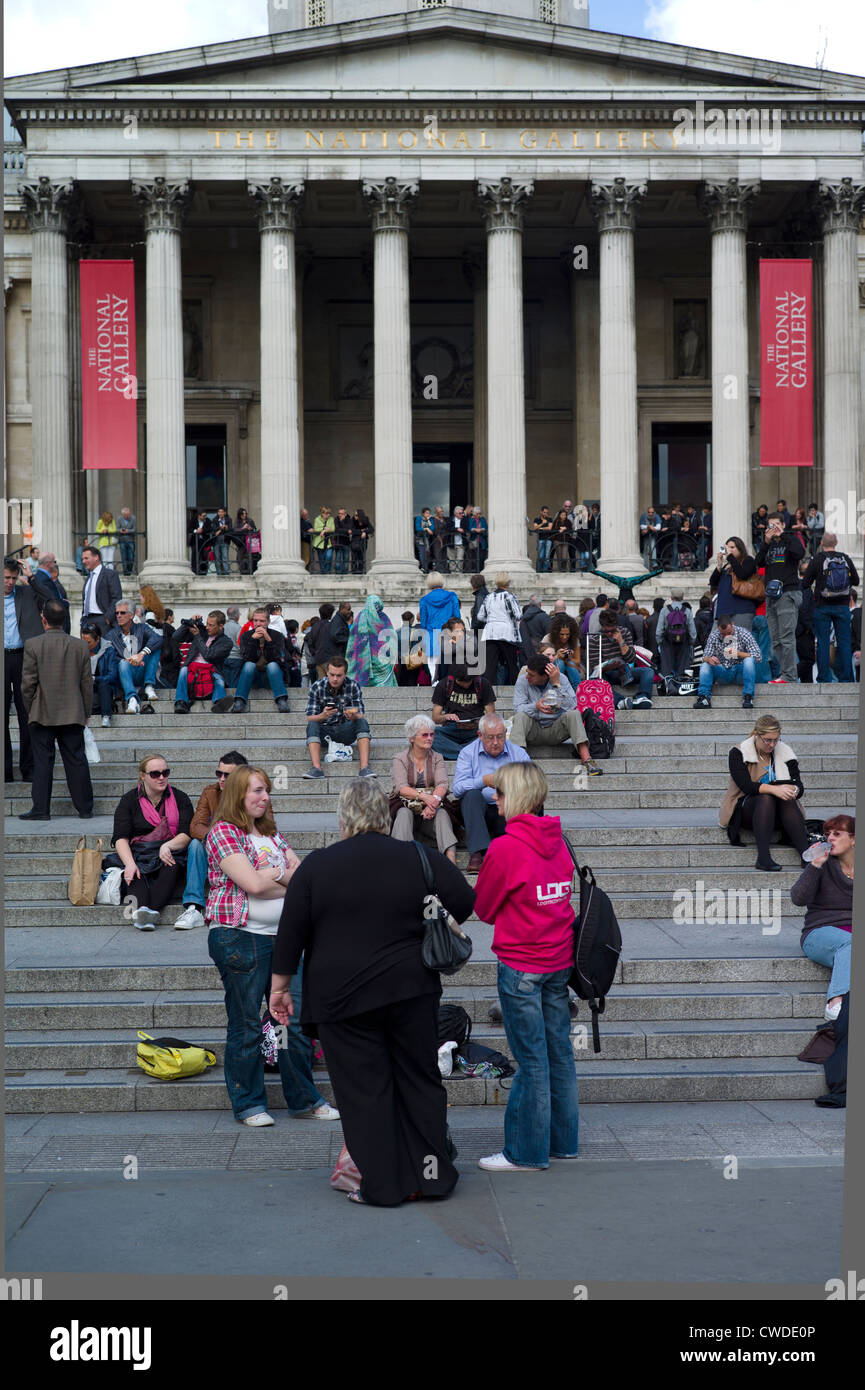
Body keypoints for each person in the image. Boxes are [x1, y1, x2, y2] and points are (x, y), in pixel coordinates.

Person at [269, 778, 474, 1204]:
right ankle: (431, 1178)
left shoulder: (318, 866)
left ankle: (383, 1185)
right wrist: (429, 917)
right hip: (410, 988)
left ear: (344, 817)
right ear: (383, 816)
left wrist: (281, 988)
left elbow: (291, 933)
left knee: (365, 1090)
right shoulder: (418, 855)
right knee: (420, 1082)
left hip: (342, 998)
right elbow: (465, 900)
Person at [206, 764, 337, 1126]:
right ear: (238, 795)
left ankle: (304, 1099)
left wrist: (275, 874)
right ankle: (249, 1104)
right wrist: (281, 879)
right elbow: (254, 886)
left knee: (291, 1021)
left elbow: (307, 879)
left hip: (285, 938)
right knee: (246, 1023)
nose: (265, 797)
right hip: (239, 937)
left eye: (266, 790)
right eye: (257, 791)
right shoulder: (223, 832)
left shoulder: (271, 835)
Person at [473, 761, 579, 1171]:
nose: (494, 799)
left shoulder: (505, 847)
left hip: (521, 964)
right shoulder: (559, 839)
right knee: (559, 1053)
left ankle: (525, 1152)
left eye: (498, 792)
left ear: (514, 796)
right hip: (558, 960)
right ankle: (562, 1143)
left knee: (532, 1059)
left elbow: (483, 909)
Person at [19, 600, 94, 821]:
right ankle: (85, 808)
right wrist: (86, 712)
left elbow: (27, 684)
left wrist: (30, 707)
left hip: (42, 711)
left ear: (44, 619)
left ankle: (41, 809)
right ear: (65, 620)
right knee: (76, 760)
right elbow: (86, 683)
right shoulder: (80, 646)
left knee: (43, 762)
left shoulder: (33, 644)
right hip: (73, 712)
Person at [105, 753, 193, 928]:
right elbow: (121, 837)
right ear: (142, 775)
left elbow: (187, 833)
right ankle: (145, 911)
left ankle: (147, 912)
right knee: (135, 872)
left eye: (165, 772)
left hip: (171, 850)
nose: (161, 777)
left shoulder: (180, 798)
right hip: (139, 852)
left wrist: (167, 846)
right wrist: (129, 863)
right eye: (155, 774)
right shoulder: (129, 800)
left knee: (171, 864)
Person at [719, 714, 811, 871]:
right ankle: (763, 857)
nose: (772, 744)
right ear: (756, 735)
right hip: (747, 809)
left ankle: (806, 855)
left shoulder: (785, 752)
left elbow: (799, 785)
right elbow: (747, 786)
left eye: (776, 739)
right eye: (767, 740)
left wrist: (793, 790)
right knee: (766, 797)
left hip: (782, 811)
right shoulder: (738, 753)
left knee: (785, 797)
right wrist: (775, 789)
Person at [173, 751, 250, 931]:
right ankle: (194, 907)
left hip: (241, 849)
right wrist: (215, 839)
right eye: (219, 773)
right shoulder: (210, 792)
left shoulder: (253, 793)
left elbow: (264, 827)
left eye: (227, 775)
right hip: (215, 847)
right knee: (194, 845)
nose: (222, 779)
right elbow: (195, 826)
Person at [793, 815, 854, 1025]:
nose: (831, 838)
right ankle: (835, 1003)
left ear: (854, 839)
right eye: (828, 834)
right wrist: (815, 865)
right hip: (819, 932)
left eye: (838, 834)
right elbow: (798, 898)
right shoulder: (823, 864)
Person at [453, 713, 531, 873]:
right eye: (490, 738)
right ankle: (477, 853)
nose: (496, 743)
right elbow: (457, 789)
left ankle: (523, 848)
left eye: (500, 737)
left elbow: (532, 783)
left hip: (507, 810)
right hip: (477, 812)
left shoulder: (518, 753)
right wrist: (483, 781)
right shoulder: (468, 753)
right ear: (480, 735)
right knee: (471, 794)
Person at [510, 655, 600, 773]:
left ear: (544, 676)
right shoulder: (523, 680)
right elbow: (517, 709)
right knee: (520, 716)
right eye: (527, 672)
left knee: (574, 714)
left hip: (556, 730)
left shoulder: (561, 679)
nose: (527, 677)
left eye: (532, 675)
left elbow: (572, 706)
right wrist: (535, 706)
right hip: (533, 730)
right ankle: (519, 763)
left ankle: (587, 760)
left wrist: (557, 684)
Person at [390, 715, 458, 862]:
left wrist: (432, 803)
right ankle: (401, 860)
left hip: (431, 812)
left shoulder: (437, 757)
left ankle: (451, 860)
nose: (429, 738)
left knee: (442, 814)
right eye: (425, 735)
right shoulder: (400, 758)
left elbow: (442, 784)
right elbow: (401, 788)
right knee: (403, 813)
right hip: (406, 806)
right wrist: (425, 797)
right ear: (412, 738)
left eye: (432, 734)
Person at [801, 532, 859, 683]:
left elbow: (805, 583)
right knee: (845, 643)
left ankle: (824, 677)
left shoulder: (817, 559)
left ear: (821, 543)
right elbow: (857, 581)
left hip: (822, 607)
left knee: (822, 643)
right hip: (842, 607)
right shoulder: (845, 558)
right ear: (837, 542)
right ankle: (847, 678)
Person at [304, 655, 374, 779]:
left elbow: (360, 713)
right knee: (313, 724)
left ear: (345, 674)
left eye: (339, 675)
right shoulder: (317, 686)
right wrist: (322, 715)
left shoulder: (353, 686)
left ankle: (364, 768)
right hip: (325, 733)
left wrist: (352, 715)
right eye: (332, 674)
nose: (335, 679)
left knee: (362, 722)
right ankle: (317, 768)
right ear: (327, 672)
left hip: (345, 731)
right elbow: (310, 718)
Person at [755, 512, 806, 683]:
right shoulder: (767, 545)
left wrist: (783, 535)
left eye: (777, 524)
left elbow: (799, 553)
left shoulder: (791, 539)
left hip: (788, 592)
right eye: (771, 525)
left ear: (784, 525)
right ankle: (785, 674)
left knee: (786, 638)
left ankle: (790, 676)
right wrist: (766, 541)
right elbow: (759, 562)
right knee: (776, 640)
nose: (774, 527)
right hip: (771, 596)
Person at [4, 558, 42, 783]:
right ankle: (5, 770)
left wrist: (32, 577)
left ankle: (28, 767)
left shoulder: (25, 594)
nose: (9, 582)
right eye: (6, 578)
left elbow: (53, 600)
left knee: (26, 714)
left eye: (12, 578)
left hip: (22, 657)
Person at [693, 614, 762, 709]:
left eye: (729, 633)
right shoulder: (714, 635)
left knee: (749, 661)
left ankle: (748, 696)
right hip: (722, 671)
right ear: (718, 629)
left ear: (732, 624)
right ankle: (704, 697)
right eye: (723, 634)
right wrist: (710, 659)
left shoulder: (743, 633)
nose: (726, 636)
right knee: (705, 665)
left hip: (739, 672)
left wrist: (737, 653)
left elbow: (758, 656)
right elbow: (704, 657)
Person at [105, 602, 163, 713]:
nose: (118, 615)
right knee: (122, 663)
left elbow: (158, 639)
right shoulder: (111, 634)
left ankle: (149, 686)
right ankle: (132, 699)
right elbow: (109, 656)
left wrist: (141, 655)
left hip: (142, 669)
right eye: (117, 613)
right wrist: (129, 660)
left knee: (155, 648)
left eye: (122, 612)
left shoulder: (142, 628)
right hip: (124, 673)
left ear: (131, 615)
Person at [431, 662, 496, 759]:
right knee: (429, 734)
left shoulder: (483, 684)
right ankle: (468, 753)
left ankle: (455, 752)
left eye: (469, 681)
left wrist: (482, 722)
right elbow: (435, 718)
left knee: (491, 736)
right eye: (461, 681)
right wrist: (445, 717)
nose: (466, 684)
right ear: (455, 677)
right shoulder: (444, 684)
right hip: (451, 729)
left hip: (475, 730)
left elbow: (491, 715)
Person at [230, 608, 290, 713]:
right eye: (255, 620)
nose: (258, 624)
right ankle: (239, 700)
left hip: (272, 677)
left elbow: (277, 659)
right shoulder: (246, 636)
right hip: (253, 678)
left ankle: (281, 699)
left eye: (262, 621)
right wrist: (253, 640)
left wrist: (268, 639)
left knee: (272, 665)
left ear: (268, 621)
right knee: (249, 665)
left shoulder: (277, 636)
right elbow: (247, 658)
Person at [173, 610, 233, 713]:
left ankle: (219, 702)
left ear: (220, 626)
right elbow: (176, 637)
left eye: (211, 625)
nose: (207, 627)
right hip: (192, 668)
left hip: (211, 670)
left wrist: (197, 636)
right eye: (207, 624)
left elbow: (208, 655)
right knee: (183, 670)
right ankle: (180, 702)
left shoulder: (226, 642)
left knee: (219, 680)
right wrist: (188, 622)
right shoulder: (202, 632)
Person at [593, 609, 655, 709]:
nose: (609, 633)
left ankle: (642, 697)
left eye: (612, 630)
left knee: (648, 671)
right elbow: (594, 665)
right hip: (606, 674)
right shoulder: (596, 638)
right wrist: (608, 666)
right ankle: (619, 701)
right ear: (602, 626)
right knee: (597, 680)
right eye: (606, 631)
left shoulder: (625, 632)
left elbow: (631, 659)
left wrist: (621, 641)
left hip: (624, 671)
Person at [477, 572, 522, 686]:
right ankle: (515, 689)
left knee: (490, 666)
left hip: (490, 633)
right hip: (507, 634)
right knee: (511, 663)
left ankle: (487, 690)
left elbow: (480, 616)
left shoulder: (489, 597)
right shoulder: (509, 596)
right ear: (508, 583)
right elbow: (518, 615)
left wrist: (492, 619)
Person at [709, 537, 760, 632]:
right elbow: (713, 582)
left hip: (741, 609)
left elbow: (742, 575)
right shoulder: (727, 565)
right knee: (716, 641)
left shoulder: (748, 560)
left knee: (740, 641)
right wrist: (719, 565)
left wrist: (730, 557)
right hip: (723, 610)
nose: (729, 550)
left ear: (740, 549)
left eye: (732, 547)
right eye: (727, 547)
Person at [346, 594, 397, 687]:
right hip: (382, 658)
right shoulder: (383, 617)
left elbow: (353, 640)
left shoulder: (360, 617)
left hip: (366, 658)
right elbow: (392, 638)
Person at [656, 587, 697, 694]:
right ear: (682, 598)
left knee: (667, 667)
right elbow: (692, 631)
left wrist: (660, 642)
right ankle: (682, 688)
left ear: (671, 598)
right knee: (683, 667)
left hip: (667, 642)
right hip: (684, 643)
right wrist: (691, 643)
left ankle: (669, 688)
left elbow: (659, 630)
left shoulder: (665, 610)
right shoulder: (687, 611)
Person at [81, 622, 120, 727]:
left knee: (104, 684)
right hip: (85, 685)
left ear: (98, 639)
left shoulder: (108, 650)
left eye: (88, 642)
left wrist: (94, 678)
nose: (85, 645)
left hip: (102, 685)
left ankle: (106, 716)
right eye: (82, 641)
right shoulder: (78, 650)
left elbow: (112, 676)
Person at [80, 543, 122, 635]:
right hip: (86, 620)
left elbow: (117, 598)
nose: (83, 561)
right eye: (82, 559)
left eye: (86, 558)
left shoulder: (110, 574)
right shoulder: (88, 578)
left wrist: (107, 618)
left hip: (102, 620)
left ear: (96, 557)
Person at [28, 551, 71, 633]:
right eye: (54, 562)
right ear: (48, 564)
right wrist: (65, 603)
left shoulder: (40, 577)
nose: (55, 565)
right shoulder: (43, 579)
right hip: (51, 627)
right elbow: (52, 601)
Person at [544, 612, 582, 691]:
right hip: (551, 668)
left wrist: (568, 657)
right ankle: (557, 691)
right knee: (560, 663)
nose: (565, 637)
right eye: (561, 634)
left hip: (571, 667)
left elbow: (577, 661)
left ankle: (578, 694)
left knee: (570, 664)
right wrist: (557, 656)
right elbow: (543, 661)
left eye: (567, 634)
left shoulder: (575, 640)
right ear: (556, 632)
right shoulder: (547, 639)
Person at [519, 593, 548, 663]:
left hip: (525, 653)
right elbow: (549, 635)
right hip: (541, 652)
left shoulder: (523, 619)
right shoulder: (544, 617)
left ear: (529, 604)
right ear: (540, 604)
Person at [324, 601, 353, 668]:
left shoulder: (340, 620)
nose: (350, 611)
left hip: (339, 653)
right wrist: (349, 640)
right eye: (348, 609)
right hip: (337, 654)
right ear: (342, 609)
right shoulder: (337, 621)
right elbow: (335, 636)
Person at [234, 507, 259, 574]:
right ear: (240, 515)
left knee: (249, 557)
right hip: (240, 542)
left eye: (245, 514)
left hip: (249, 541)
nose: (244, 515)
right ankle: (242, 571)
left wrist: (250, 528)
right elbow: (235, 530)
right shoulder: (237, 521)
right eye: (242, 514)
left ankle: (249, 571)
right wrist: (242, 528)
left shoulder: (250, 520)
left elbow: (255, 529)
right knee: (240, 557)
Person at [530, 507, 554, 572]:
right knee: (540, 556)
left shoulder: (550, 519)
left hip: (548, 540)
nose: (545, 514)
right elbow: (535, 528)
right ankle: (539, 571)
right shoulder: (537, 519)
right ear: (541, 512)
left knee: (547, 557)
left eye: (547, 513)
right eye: (544, 512)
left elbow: (550, 528)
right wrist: (542, 524)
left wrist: (541, 528)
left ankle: (545, 570)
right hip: (540, 539)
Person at [312, 505, 334, 573]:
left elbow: (332, 529)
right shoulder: (317, 519)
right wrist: (324, 528)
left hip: (329, 542)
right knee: (321, 559)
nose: (329, 515)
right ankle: (323, 573)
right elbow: (316, 529)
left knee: (329, 557)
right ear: (322, 513)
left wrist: (324, 531)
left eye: (329, 513)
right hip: (319, 541)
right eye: (327, 513)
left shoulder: (331, 519)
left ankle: (327, 572)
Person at [351, 508, 373, 573]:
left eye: (356, 515)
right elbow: (352, 530)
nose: (355, 516)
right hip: (354, 541)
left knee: (361, 556)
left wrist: (365, 532)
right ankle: (354, 570)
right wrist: (362, 531)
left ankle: (361, 570)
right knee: (354, 556)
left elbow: (371, 529)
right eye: (355, 515)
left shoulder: (365, 519)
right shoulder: (353, 520)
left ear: (360, 515)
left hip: (362, 541)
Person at [191, 510, 212, 574]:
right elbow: (190, 528)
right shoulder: (194, 520)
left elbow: (210, 529)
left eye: (205, 515)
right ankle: (195, 570)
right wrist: (196, 531)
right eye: (203, 516)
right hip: (195, 541)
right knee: (195, 555)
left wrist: (202, 530)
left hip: (205, 542)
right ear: (199, 516)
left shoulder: (208, 520)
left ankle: (203, 571)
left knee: (204, 556)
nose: (205, 517)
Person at [332, 507, 352, 574]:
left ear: (345, 514)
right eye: (339, 513)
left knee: (346, 559)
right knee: (338, 559)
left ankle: (345, 574)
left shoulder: (349, 520)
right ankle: (338, 574)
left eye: (341, 513)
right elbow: (337, 530)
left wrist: (342, 522)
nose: (340, 515)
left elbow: (349, 529)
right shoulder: (336, 519)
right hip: (338, 542)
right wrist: (346, 530)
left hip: (346, 542)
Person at [117, 507, 136, 576]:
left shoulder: (133, 518)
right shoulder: (119, 519)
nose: (127, 516)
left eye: (128, 515)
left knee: (131, 557)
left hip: (130, 540)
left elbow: (134, 529)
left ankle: (129, 571)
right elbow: (117, 529)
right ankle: (125, 572)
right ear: (123, 515)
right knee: (124, 557)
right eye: (125, 515)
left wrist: (128, 531)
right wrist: (120, 530)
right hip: (122, 540)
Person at [415, 507, 434, 572]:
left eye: (429, 513)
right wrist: (426, 528)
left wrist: (428, 520)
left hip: (426, 539)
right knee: (422, 552)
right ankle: (423, 567)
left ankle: (426, 567)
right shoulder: (419, 518)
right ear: (423, 514)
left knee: (427, 553)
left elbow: (432, 529)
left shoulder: (430, 520)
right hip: (420, 539)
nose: (428, 514)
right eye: (427, 513)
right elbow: (417, 528)